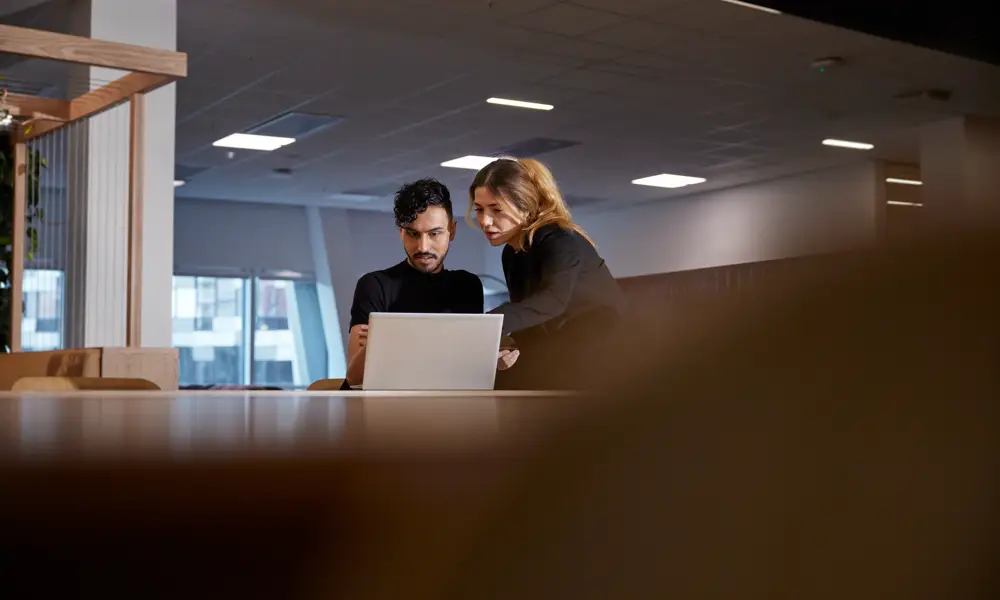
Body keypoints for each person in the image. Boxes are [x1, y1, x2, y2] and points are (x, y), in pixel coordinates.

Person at [469, 158, 627, 390]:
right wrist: (509, 344)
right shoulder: (512, 253)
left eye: (497, 210)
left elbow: (552, 302)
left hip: (609, 358)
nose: (485, 221)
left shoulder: (560, 240)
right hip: (567, 354)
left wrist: (485, 326)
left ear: (526, 206)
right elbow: (531, 314)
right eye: (479, 210)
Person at [343, 178, 484, 388]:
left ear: (452, 231)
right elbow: (355, 378)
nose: (423, 246)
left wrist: (387, 339)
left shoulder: (467, 286)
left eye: (434, 234)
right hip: (382, 409)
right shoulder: (374, 285)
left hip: (447, 406)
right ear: (401, 232)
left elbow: (469, 369)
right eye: (413, 234)